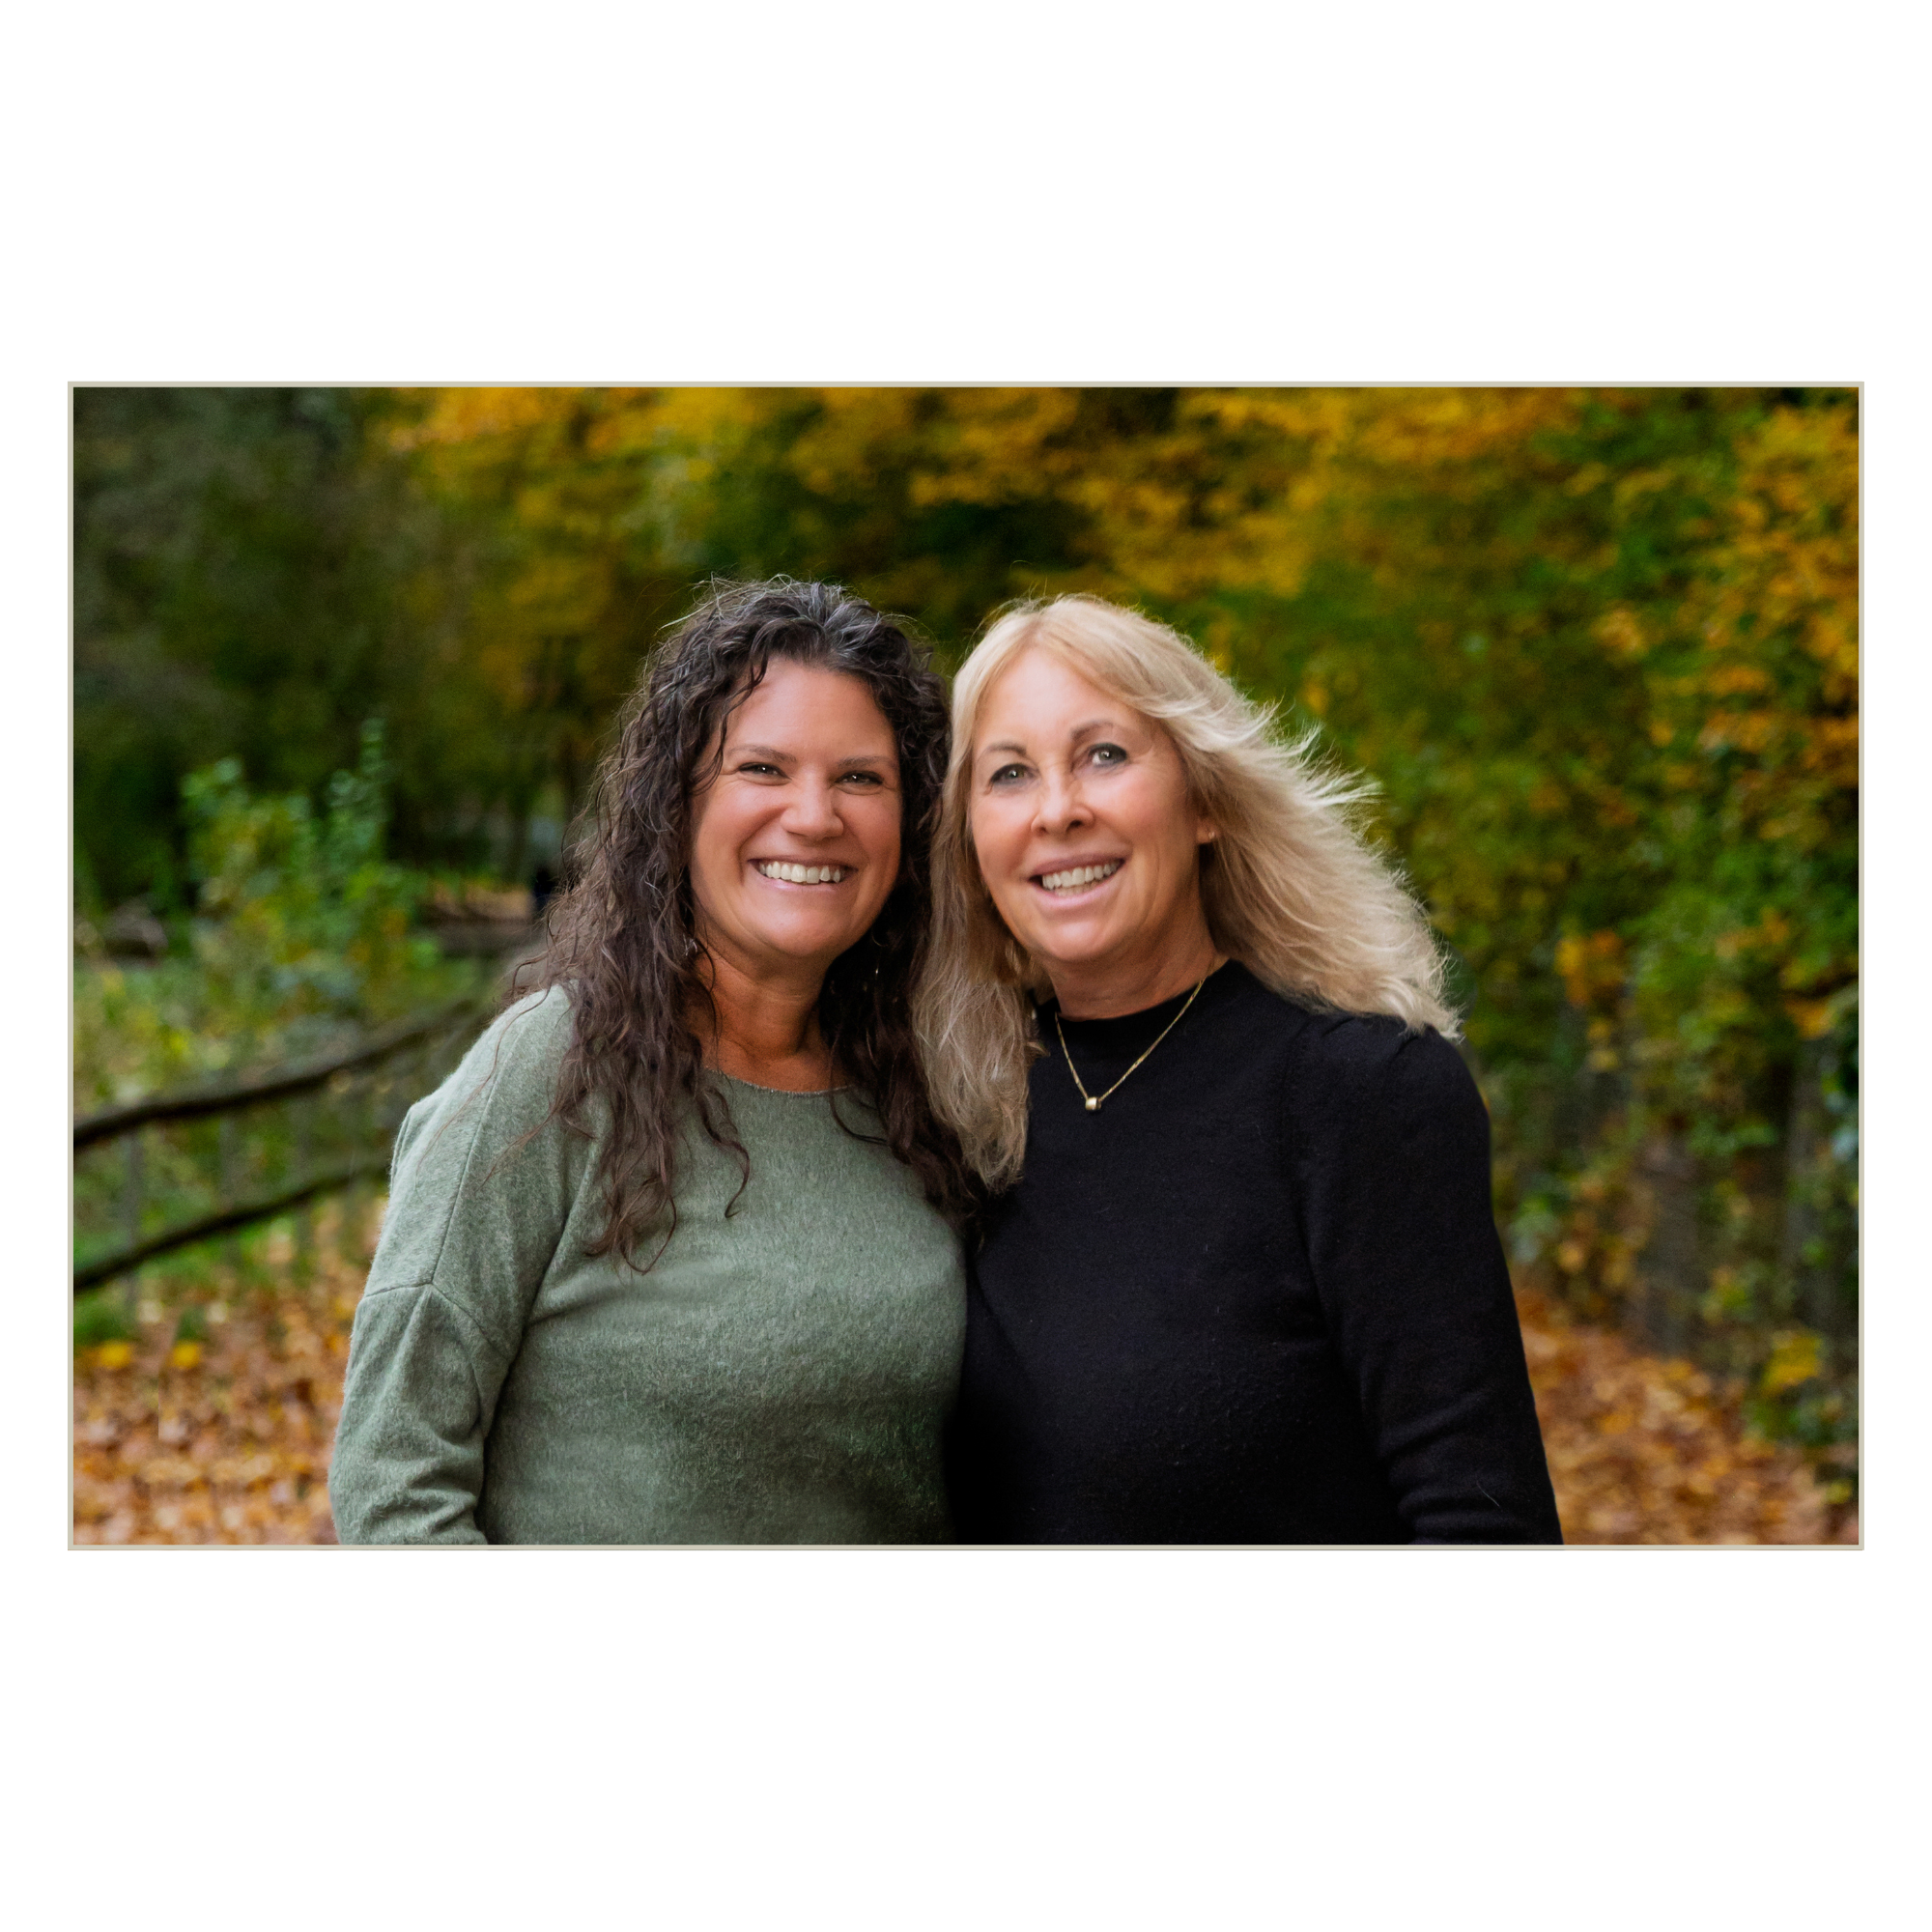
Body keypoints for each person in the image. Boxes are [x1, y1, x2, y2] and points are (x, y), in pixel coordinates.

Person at [329, 580, 973, 1544]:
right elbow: (392, 1484)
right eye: (761, 766)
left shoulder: (932, 1090)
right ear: (677, 799)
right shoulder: (553, 1071)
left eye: (860, 777)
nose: (812, 814)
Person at [918, 595, 1562, 1544]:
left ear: (1205, 798)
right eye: (1008, 772)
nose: (1058, 809)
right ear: (970, 845)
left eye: (1104, 754)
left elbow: (1478, 1513)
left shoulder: (1360, 1091)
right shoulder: (956, 1102)